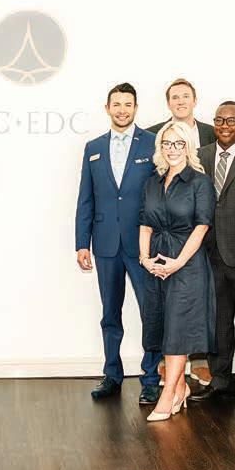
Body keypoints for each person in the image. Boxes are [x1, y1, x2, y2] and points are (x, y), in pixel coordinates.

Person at [75, 83, 162, 404]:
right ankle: (112, 374)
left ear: (136, 108)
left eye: (128, 104)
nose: (122, 110)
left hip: (143, 244)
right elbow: (85, 198)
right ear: (107, 108)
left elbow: (161, 193)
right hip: (105, 244)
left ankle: (151, 378)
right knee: (110, 313)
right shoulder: (93, 147)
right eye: (117, 104)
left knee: (151, 313)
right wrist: (81, 243)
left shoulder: (153, 143)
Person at [189, 101, 235, 410]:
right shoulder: (201, 155)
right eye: (219, 120)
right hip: (210, 254)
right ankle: (220, 382)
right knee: (218, 323)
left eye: (232, 120)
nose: (224, 125)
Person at [139, 121, 216, 421]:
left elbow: (202, 226)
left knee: (178, 331)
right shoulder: (152, 182)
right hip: (157, 265)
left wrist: (178, 263)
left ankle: (168, 393)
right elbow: (145, 223)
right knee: (162, 326)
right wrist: (145, 258)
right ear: (160, 147)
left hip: (187, 265)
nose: (172, 149)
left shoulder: (200, 182)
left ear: (188, 146)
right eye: (167, 143)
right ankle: (180, 387)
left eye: (178, 143)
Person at [146, 78, 216, 150]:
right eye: (175, 98)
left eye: (186, 96)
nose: (181, 102)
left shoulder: (213, 133)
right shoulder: (151, 134)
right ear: (168, 104)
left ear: (195, 101)